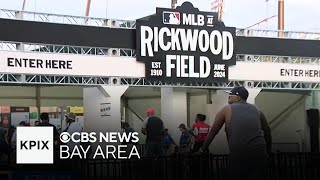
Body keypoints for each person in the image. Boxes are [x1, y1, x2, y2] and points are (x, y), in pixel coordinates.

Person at [199, 86, 272, 180]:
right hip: (260, 155)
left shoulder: (226, 109)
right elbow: (267, 131)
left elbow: (213, 131)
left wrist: (203, 149)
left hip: (239, 155)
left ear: (237, 98)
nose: (228, 97)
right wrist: (268, 152)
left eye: (230, 95)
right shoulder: (257, 110)